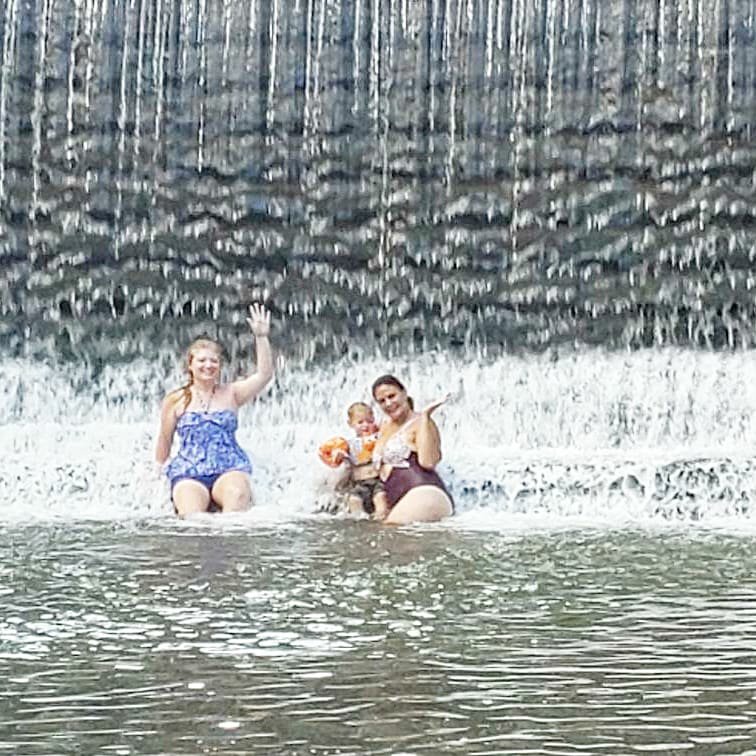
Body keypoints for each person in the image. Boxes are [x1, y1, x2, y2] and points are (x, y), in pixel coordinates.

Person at [155, 303, 274, 517]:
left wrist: (261, 337)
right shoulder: (176, 399)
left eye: (214, 361)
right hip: (189, 470)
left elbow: (264, 375)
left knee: (237, 497)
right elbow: (164, 441)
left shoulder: (232, 393)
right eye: (202, 360)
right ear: (190, 365)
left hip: (229, 467)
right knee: (191, 515)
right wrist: (156, 474)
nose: (208, 365)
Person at [370, 375, 453, 524]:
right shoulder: (384, 425)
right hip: (402, 498)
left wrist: (425, 416)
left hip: (425, 493)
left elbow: (428, 462)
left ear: (404, 393)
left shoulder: (421, 423)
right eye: (382, 401)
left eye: (392, 396)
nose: (388, 403)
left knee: (388, 532)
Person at [318, 402, 389, 516]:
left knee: (381, 498)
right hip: (359, 483)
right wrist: (339, 455)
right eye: (360, 422)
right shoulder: (348, 444)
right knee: (354, 500)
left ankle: (381, 518)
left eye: (369, 421)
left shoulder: (378, 439)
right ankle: (358, 520)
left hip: (377, 481)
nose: (365, 425)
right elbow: (339, 459)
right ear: (350, 424)